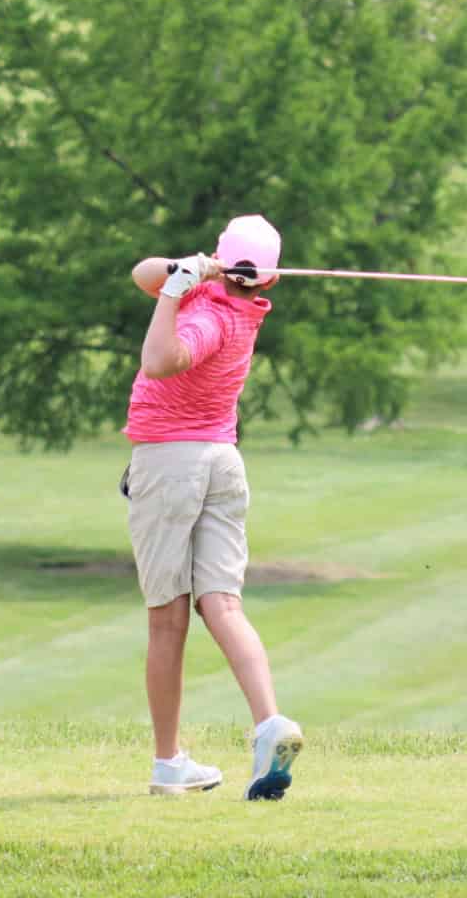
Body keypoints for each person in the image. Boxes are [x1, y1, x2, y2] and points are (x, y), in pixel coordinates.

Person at [121, 213, 304, 800]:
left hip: (171, 464)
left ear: (224, 260)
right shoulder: (245, 307)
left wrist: (173, 294)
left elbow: (160, 360)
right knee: (222, 604)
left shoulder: (209, 316)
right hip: (223, 461)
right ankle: (270, 723)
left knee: (166, 617)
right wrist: (178, 270)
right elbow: (141, 272)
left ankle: (168, 762)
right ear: (270, 280)